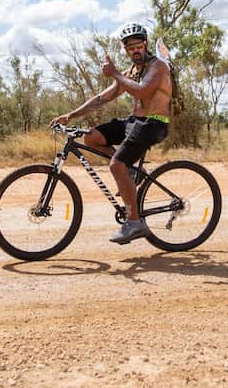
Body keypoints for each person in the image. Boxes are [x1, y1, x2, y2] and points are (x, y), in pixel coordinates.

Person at [51, 23, 173, 244]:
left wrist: (115, 73)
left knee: (116, 165)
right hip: (135, 121)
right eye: (130, 47)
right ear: (125, 50)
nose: (134, 50)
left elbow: (143, 90)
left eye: (138, 45)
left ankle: (135, 223)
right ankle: (132, 172)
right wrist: (70, 115)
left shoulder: (158, 67)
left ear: (145, 44)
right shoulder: (131, 73)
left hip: (154, 123)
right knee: (93, 137)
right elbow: (101, 98)